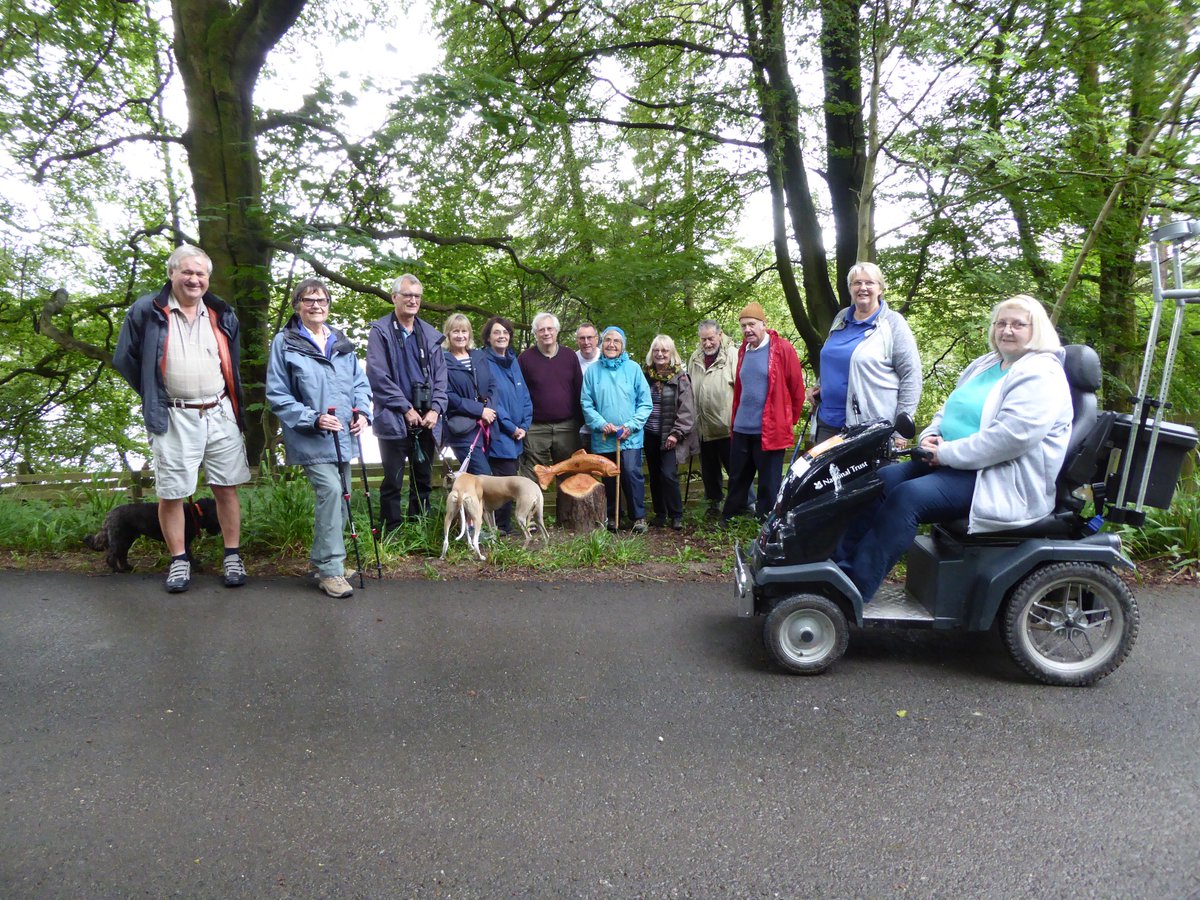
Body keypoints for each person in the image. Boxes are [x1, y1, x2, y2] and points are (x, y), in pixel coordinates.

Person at [836, 294, 1072, 604]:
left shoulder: (1041, 374)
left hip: (996, 476)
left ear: (1036, 330)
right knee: (878, 481)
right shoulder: (986, 364)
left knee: (908, 497)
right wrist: (931, 436)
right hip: (952, 462)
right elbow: (949, 408)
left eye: (1018, 324)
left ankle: (852, 590)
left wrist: (945, 453)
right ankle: (834, 569)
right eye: (1001, 323)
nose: (1006, 330)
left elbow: (1010, 438)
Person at [113, 244, 252, 594]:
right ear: (172, 273)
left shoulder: (221, 312)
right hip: (173, 414)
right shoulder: (147, 310)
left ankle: (232, 556)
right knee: (172, 492)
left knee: (226, 487)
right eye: (187, 272)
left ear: (208, 278)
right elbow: (125, 358)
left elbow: (232, 362)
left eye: (200, 273)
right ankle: (178, 560)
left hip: (219, 412)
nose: (194, 279)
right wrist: (153, 392)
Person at [266, 279, 371, 599]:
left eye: (322, 300)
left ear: (328, 305)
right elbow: (278, 393)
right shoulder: (285, 342)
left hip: (343, 436)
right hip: (311, 437)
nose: (316, 305)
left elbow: (360, 383)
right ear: (297, 304)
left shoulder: (340, 341)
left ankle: (325, 558)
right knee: (331, 491)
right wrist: (312, 418)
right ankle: (330, 570)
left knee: (343, 497)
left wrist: (363, 413)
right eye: (309, 300)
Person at [365, 274, 448, 531]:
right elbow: (377, 376)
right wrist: (405, 408)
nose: (413, 300)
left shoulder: (430, 335)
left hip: (426, 420)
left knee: (423, 479)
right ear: (394, 298)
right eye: (407, 295)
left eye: (417, 296)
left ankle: (420, 530)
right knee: (393, 480)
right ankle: (391, 533)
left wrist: (436, 409)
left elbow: (441, 378)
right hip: (393, 419)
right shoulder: (380, 332)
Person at [812, 262, 922, 444]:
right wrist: (819, 386)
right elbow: (833, 359)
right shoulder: (841, 318)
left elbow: (911, 375)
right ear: (850, 288)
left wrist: (900, 431)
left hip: (870, 428)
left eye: (869, 282)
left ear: (880, 288)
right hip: (827, 424)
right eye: (857, 283)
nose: (863, 287)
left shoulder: (893, 323)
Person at [722, 302, 806, 522]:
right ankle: (731, 516)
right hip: (742, 427)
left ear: (763, 324)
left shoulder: (782, 348)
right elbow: (741, 390)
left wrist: (788, 420)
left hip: (770, 429)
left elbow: (797, 389)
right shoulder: (743, 351)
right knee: (738, 477)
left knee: (769, 481)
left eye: (751, 324)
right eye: (743, 326)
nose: (747, 329)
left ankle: (766, 520)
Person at [581, 326, 653, 533]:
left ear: (623, 346)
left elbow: (645, 402)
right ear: (601, 343)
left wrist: (630, 425)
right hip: (604, 436)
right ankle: (612, 516)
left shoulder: (633, 369)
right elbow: (586, 403)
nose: (611, 344)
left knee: (631, 473)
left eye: (617, 341)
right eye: (608, 340)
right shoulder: (593, 371)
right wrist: (601, 423)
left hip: (629, 436)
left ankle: (638, 516)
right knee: (608, 476)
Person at [687, 320, 748, 516]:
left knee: (736, 469)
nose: (707, 343)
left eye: (711, 338)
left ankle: (746, 505)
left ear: (719, 335)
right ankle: (714, 505)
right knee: (709, 470)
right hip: (703, 426)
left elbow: (741, 388)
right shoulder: (695, 358)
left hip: (727, 425)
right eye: (703, 339)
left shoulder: (732, 355)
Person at [518, 311, 583, 481]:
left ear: (556, 331)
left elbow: (579, 390)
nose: (546, 333)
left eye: (550, 329)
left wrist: (578, 421)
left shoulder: (569, 356)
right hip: (535, 428)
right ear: (535, 333)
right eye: (541, 330)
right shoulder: (525, 359)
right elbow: (519, 395)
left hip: (567, 427)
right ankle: (533, 500)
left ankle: (565, 502)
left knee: (569, 476)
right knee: (532, 476)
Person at [482, 315, 532, 534]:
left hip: (518, 434)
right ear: (488, 337)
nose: (501, 336)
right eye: (496, 332)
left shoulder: (514, 361)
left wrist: (524, 426)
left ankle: (506, 526)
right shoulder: (484, 362)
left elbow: (525, 396)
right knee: (502, 482)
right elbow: (491, 401)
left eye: (505, 332)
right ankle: (500, 527)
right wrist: (511, 428)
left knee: (512, 478)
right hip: (499, 433)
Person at [643, 335, 699, 530]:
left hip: (671, 435)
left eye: (664, 350)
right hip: (649, 434)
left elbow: (687, 410)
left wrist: (676, 434)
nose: (660, 354)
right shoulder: (645, 376)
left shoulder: (680, 377)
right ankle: (660, 514)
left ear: (671, 353)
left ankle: (676, 515)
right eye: (656, 350)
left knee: (668, 474)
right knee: (654, 475)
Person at [442, 313, 496, 476]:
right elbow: (447, 395)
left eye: (464, 331)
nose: (460, 336)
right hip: (462, 429)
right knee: (484, 476)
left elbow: (492, 385)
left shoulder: (479, 357)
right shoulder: (442, 361)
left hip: (486, 425)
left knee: (481, 481)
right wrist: (479, 410)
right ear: (448, 334)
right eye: (456, 331)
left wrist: (489, 411)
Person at [575, 321, 601, 447]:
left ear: (596, 339)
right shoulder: (572, 359)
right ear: (577, 341)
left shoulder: (606, 358)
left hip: (604, 428)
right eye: (582, 338)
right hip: (579, 428)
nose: (586, 342)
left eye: (590, 337)